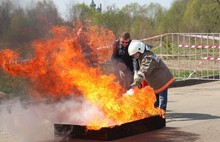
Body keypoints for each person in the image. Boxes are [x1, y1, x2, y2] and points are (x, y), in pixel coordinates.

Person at [128, 40, 175, 111]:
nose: (135, 56)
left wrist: (138, 80)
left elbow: (145, 69)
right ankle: (156, 114)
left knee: (162, 100)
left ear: (140, 50)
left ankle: (162, 114)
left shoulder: (148, 57)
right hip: (156, 82)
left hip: (162, 80)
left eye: (135, 54)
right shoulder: (143, 56)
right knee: (155, 100)